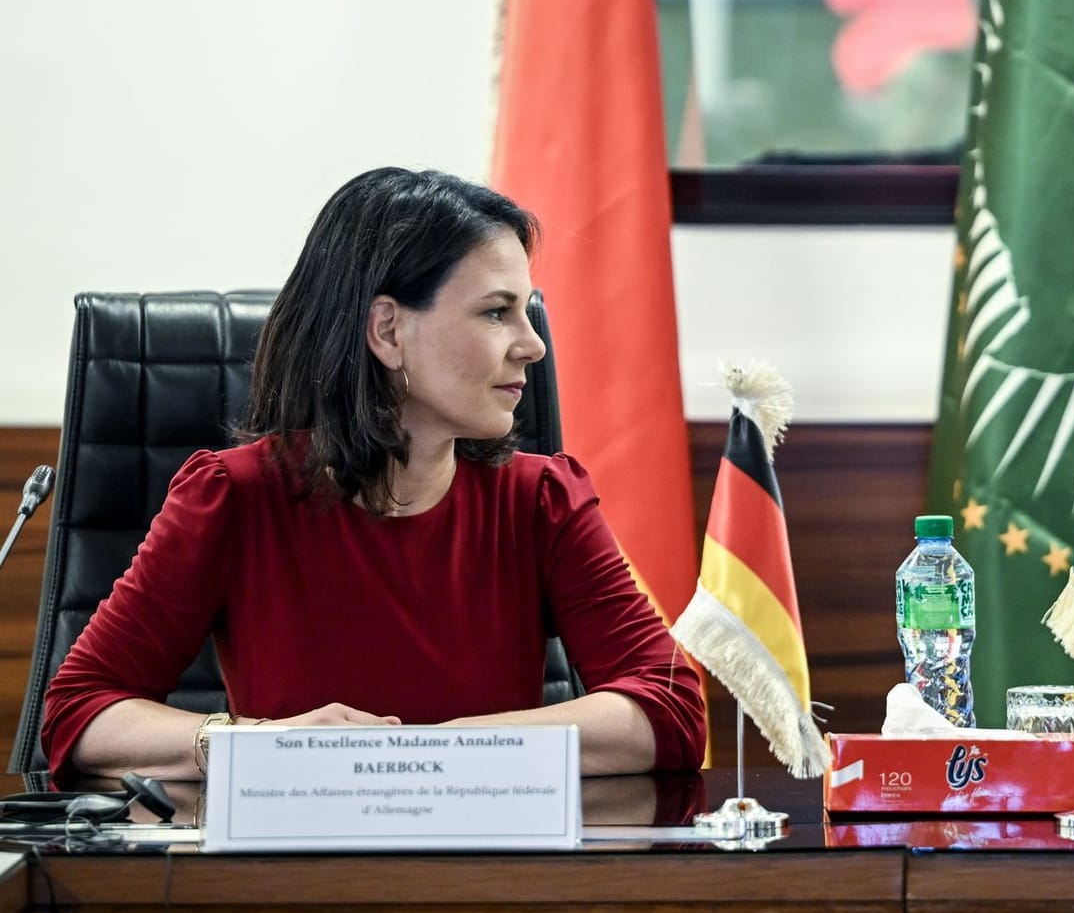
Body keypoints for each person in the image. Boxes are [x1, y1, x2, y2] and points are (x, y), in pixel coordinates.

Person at [40, 167, 706, 784]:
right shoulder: (233, 498)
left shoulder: (541, 500)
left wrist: (437, 754)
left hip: (492, 884)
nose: (532, 344)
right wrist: (255, 744)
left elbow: (670, 706)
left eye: (525, 311)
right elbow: (79, 709)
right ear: (387, 330)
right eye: (496, 311)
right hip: (284, 887)